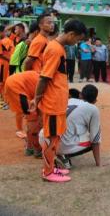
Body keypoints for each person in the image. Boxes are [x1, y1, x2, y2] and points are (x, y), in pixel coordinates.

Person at [29, 19, 87, 182]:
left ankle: (51, 168)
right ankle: (47, 173)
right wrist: (37, 98)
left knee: (56, 137)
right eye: (77, 39)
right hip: (53, 103)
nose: (76, 43)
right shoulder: (55, 49)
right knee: (52, 137)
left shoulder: (57, 48)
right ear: (71, 34)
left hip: (58, 102)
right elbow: (44, 77)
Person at [50, 85, 102, 169]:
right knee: (93, 136)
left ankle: (53, 155)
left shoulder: (69, 100)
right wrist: (98, 164)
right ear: (95, 101)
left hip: (45, 141)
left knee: (72, 128)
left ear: (80, 95)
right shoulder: (93, 108)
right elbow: (95, 139)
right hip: (60, 146)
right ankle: (62, 155)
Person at [4, 71, 41, 153]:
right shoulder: (49, 85)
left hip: (14, 83)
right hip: (17, 86)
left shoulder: (43, 77)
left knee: (31, 115)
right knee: (32, 116)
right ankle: (36, 148)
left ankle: (30, 146)